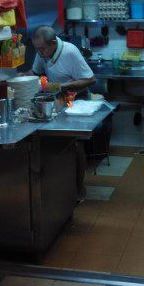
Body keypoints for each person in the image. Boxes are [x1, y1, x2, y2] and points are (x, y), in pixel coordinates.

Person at [30, 25, 95, 203]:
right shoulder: (42, 51)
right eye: (37, 49)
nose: (40, 53)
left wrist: (62, 86)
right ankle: (59, 187)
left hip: (77, 101)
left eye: (42, 49)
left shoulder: (70, 52)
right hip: (57, 101)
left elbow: (90, 79)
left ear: (52, 43)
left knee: (76, 145)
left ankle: (79, 189)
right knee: (57, 142)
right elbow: (35, 74)